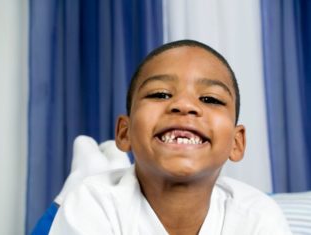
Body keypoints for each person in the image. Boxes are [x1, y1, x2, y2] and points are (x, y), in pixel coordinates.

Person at [48, 40, 292, 234]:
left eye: (210, 99)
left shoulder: (258, 215)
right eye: (160, 94)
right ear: (125, 132)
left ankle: (103, 164)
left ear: (236, 143)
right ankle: (94, 167)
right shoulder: (90, 203)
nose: (184, 105)